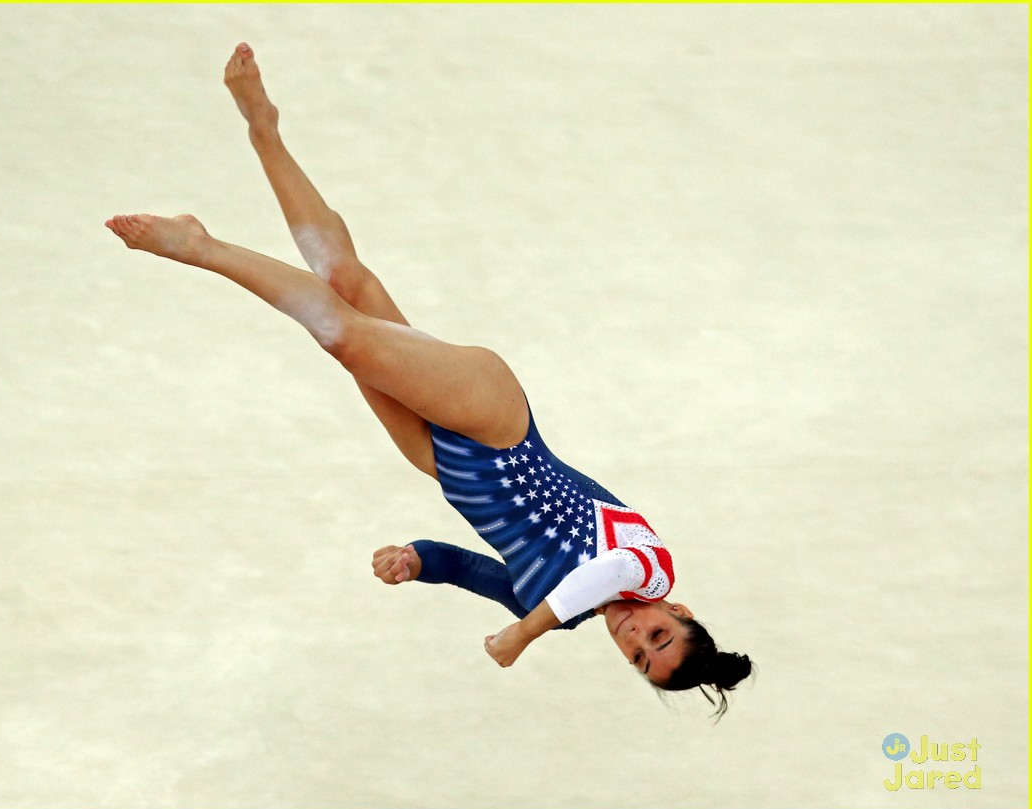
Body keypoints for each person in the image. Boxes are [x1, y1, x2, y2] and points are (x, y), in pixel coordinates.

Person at [106, 43, 752, 717]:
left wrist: (415, 559)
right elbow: (603, 572)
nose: (634, 637)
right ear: (676, 607)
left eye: (639, 658)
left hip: (440, 459)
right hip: (496, 424)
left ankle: (263, 129)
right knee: (348, 337)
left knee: (346, 284)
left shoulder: (553, 610)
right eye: (657, 634)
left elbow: (474, 570)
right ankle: (199, 245)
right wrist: (522, 637)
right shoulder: (650, 565)